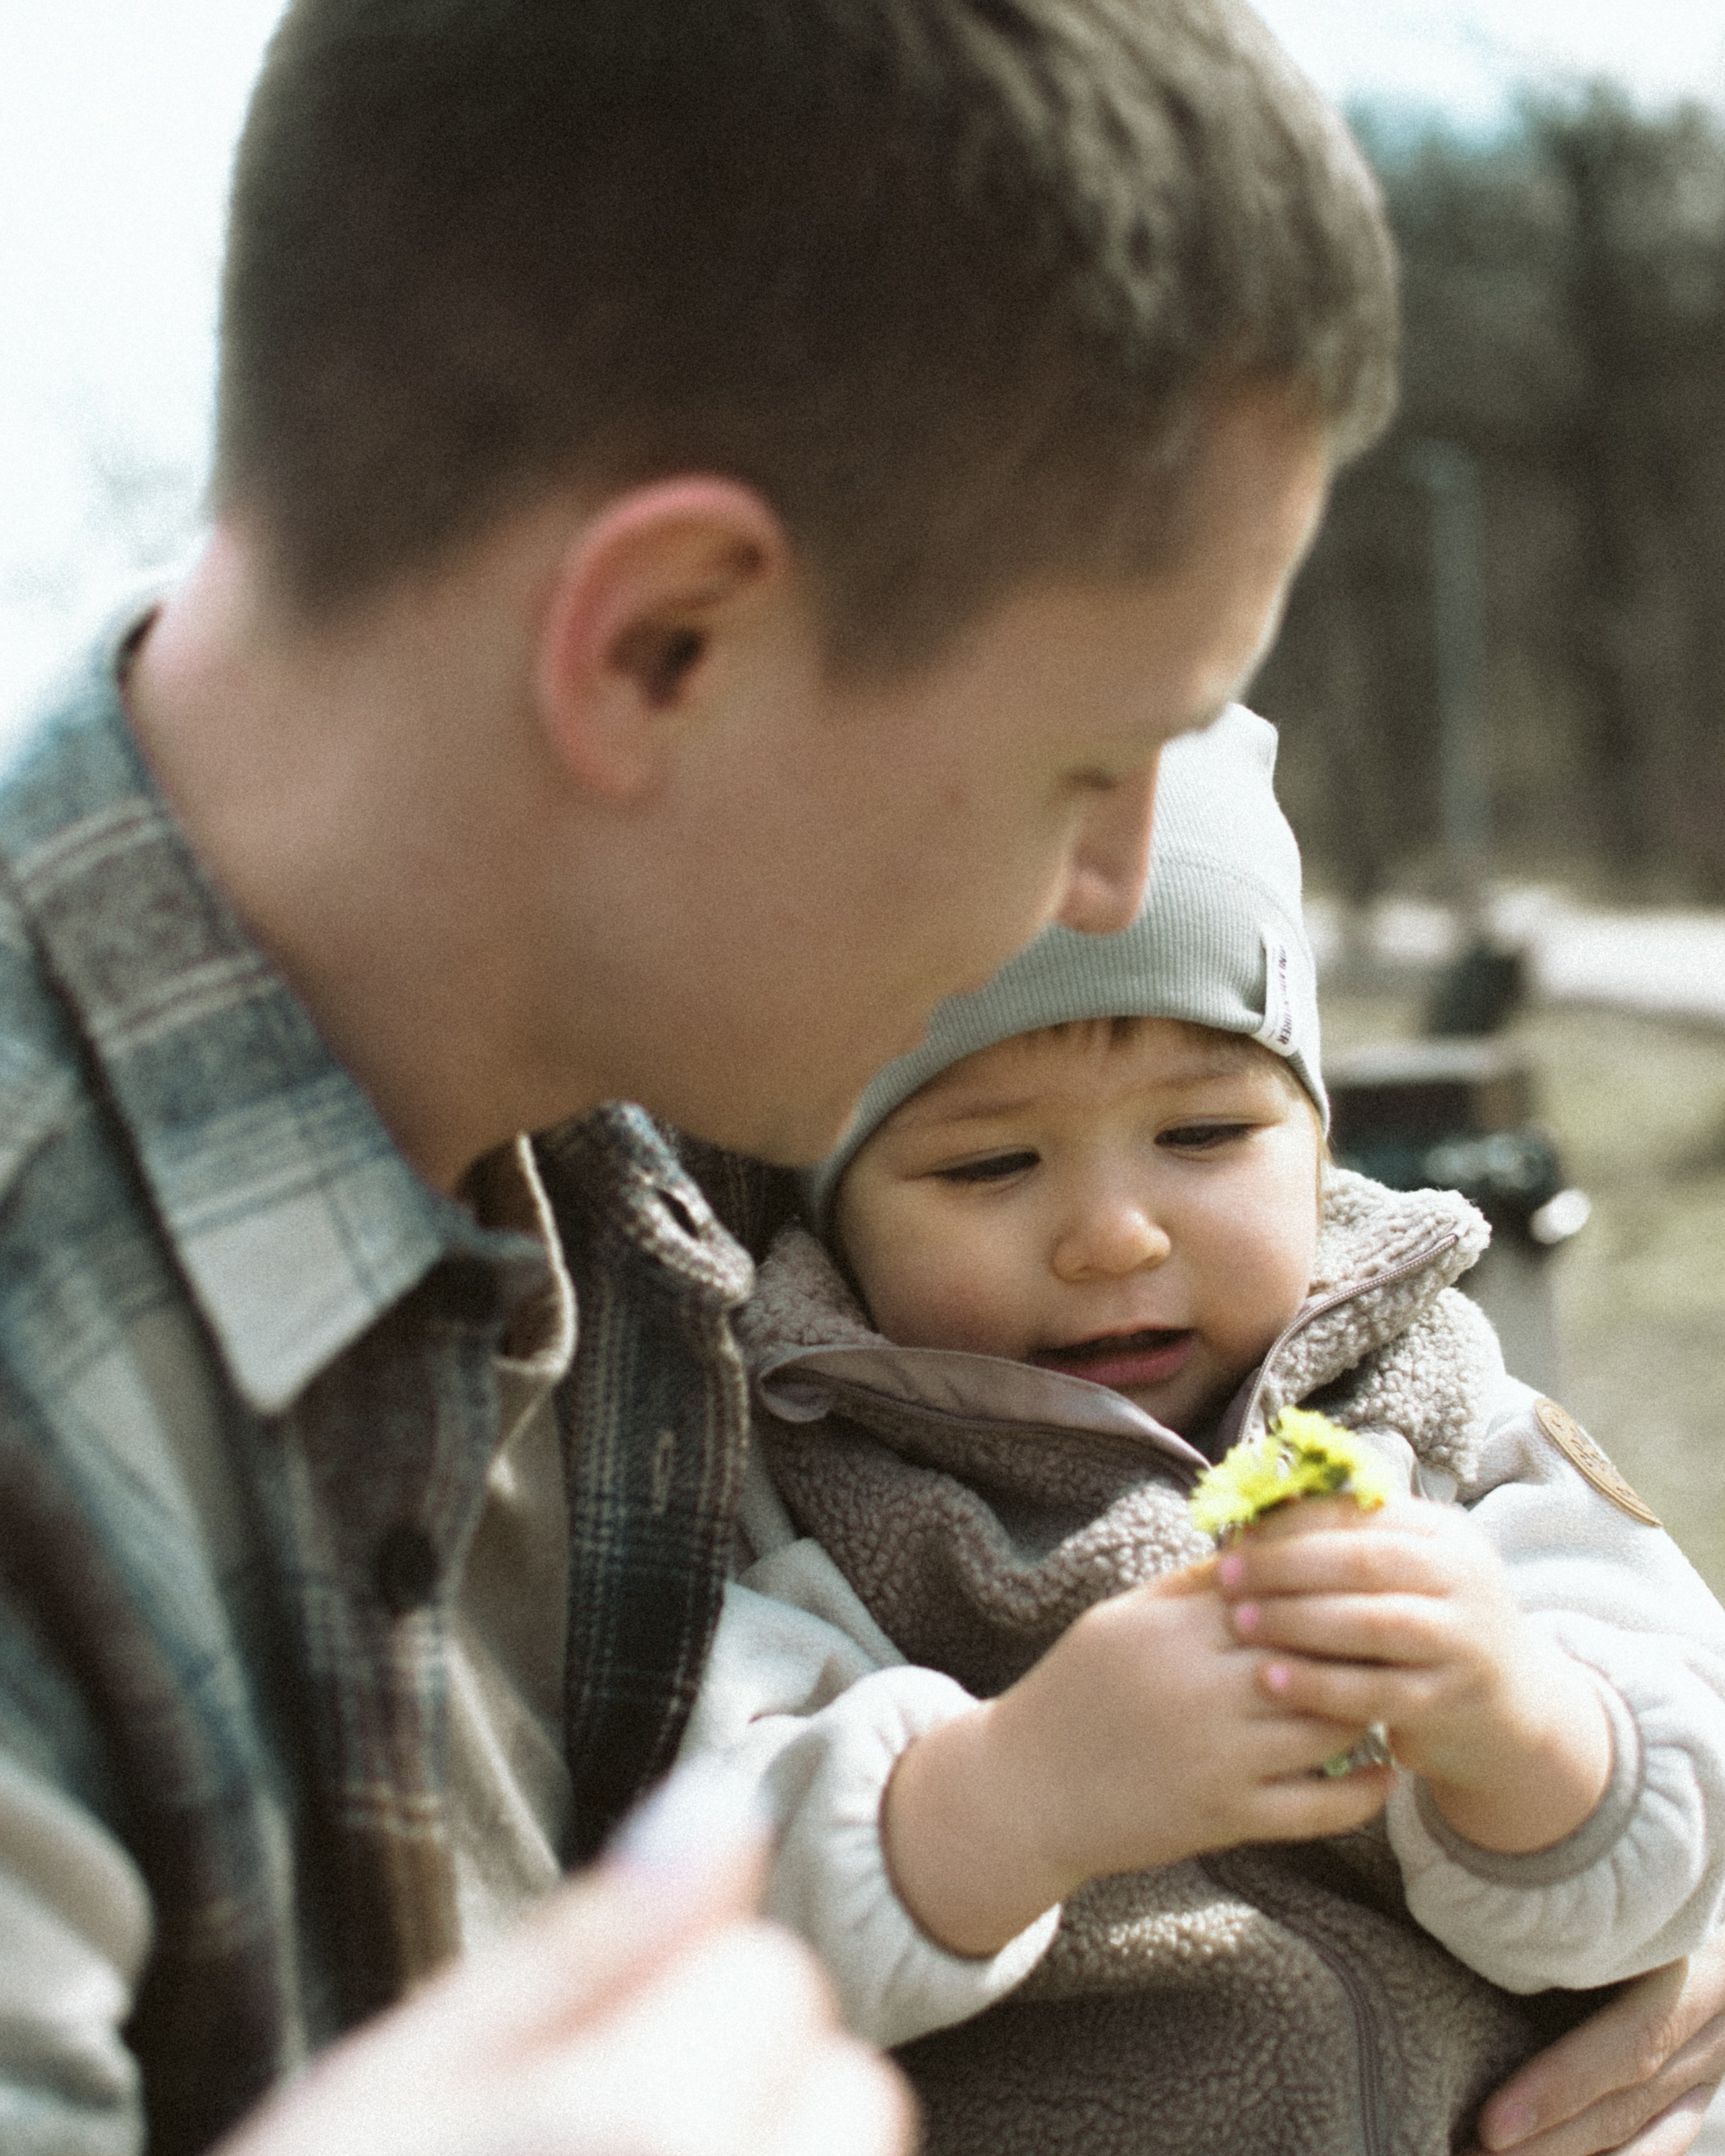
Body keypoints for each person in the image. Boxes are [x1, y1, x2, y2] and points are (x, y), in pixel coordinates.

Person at [0, 3, 1393, 2153]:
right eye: (1090, 765)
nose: (1124, 877)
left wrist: (1568, 1862)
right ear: (665, 647)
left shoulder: (674, 1069)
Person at [681, 707, 1725, 2151]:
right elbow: (690, 1923)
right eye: (988, 1161)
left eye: (1203, 1135)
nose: (1113, 1235)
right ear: (832, 1204)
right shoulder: (813, 1483)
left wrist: (1519, 1726)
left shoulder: (1441, 1417)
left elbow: (1689, 1838)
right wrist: (1007, 1799)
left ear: (1315, 1137)